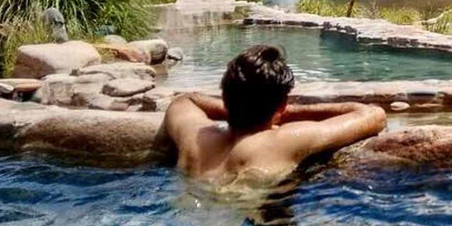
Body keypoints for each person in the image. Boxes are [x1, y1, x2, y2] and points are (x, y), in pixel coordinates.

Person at [164, 45, 386, 184]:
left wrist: (239, 107)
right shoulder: (284, 140)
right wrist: (285, 114)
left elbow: (185, 100)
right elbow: (373, 115)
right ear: (281, 106)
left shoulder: (196, 139)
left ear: (225, 95)